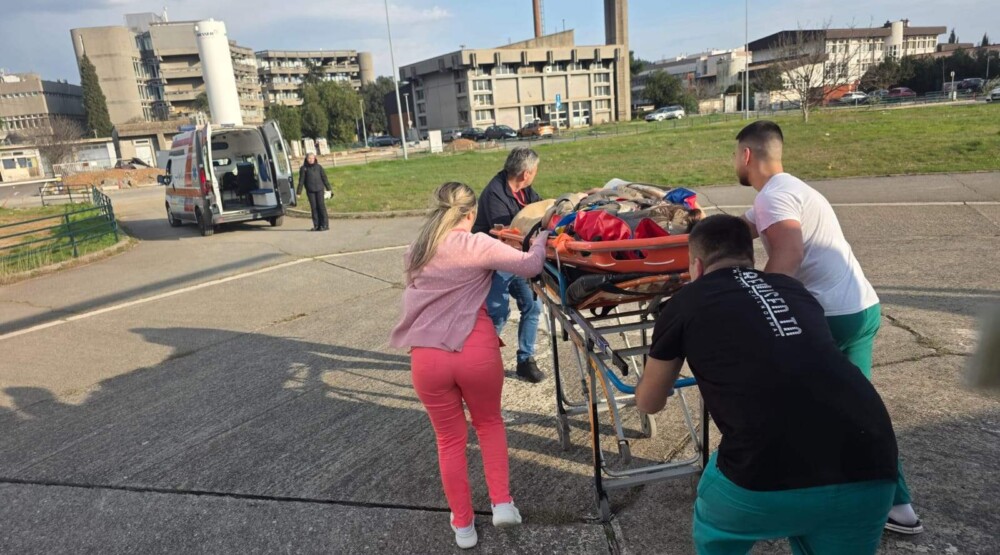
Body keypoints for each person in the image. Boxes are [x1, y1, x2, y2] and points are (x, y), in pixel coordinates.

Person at [636, 214, 900, 555]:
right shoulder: (794, 289)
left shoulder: (685, 301)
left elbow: (650, 402)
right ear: (750, 258)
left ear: (697, 266)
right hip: (872, 463)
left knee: (716, 525)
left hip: (761, 474)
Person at [733, 120, 921, 535]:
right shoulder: (791, 189)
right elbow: (740, 230)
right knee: (861, 410)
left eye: (734, 155)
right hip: (860, 307)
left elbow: (789, 254)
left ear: (746, 155)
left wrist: (758, 306)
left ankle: (792, 491)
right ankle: (899, 506)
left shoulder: (773, 197)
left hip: (831, 317)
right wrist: (693, 229)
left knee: (786, 401)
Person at [390, 182, 549, 549]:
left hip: (428, 357)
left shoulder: (416, 250)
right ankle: (502, 503)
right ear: (471, 213)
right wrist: (539, 239)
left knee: (448, 440)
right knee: (489, 424)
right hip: (475, 349)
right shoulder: (477, 244)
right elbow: (531, 265)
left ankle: (463, 525)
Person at [472, 147, 545, 383]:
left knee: (532, 307)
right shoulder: (494, 193)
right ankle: (480, 361)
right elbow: (507, 234)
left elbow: (540, 210)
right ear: (526, 173)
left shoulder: (524, 190)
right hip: (496, 260)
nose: (535, 174)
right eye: (535, 170)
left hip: (517, 258)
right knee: (498, 313)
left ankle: (525, 360)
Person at [296, 153, 332, 231]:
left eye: (312, 158)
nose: (311, 160)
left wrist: (329, 188)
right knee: (314, 208)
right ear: (306, 159)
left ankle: (325, 225)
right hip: (310, 191)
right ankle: (317, 225)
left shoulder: (319, 167)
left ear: (315, 158)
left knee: (321, 207)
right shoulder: (303, 168)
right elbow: (301, 181)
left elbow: (324, 178)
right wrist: (299, 192)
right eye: (309, 158)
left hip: (319, 190)